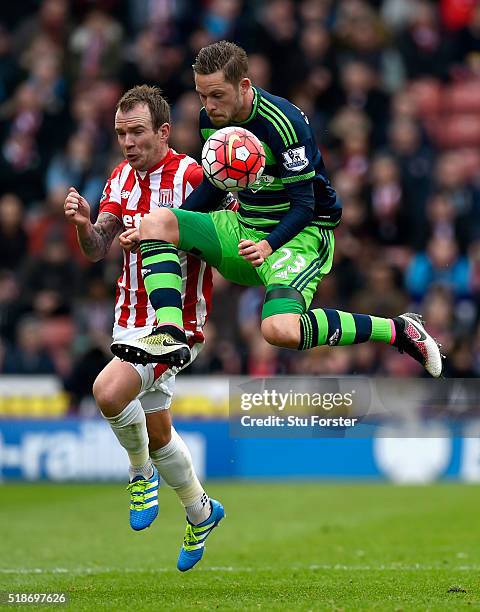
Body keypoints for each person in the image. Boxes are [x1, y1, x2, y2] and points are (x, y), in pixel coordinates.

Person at [111, 41, 443, 379]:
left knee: (279, 330)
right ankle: (170, 333)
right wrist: (173, 222)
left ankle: (399, 330)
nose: (208, 106)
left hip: (296, 236)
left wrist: (268, 245)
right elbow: (215, 185)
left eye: (217, 95)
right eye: (202, 96)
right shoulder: (211, 120)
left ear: (243, 86)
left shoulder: (284, 123)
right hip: (242, 226)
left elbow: (304, 205)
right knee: (154, 222)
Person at [64, 85, 224, 572]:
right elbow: (97, 248)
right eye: (120, 133)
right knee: (158, 432)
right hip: (128, 319)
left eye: (137, 132)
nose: (128, 142)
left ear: (163, 131)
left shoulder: (196, 175)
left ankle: (139, 476)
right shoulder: (118, 179)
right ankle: (202, 513)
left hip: (176, 323)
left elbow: (220, 242)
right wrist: (83, 224)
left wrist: (166, 235)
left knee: (108, 392)